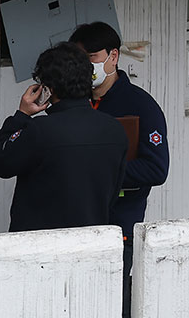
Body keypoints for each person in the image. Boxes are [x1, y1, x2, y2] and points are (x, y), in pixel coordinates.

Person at [70, 21, 168, 317]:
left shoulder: (140, 104)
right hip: (74, 225)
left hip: (118, 228)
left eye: (91, 58)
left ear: (113, 56)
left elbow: (156, 169)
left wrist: (102, 173)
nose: (85, 67)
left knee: (112, 305)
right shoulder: (74, 103)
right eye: (78, 61)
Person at [0, 42, 128, 231]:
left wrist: (21, 115)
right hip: (93, 239)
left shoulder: (39, 130)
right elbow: (115, 190)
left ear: (48, 88)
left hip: (40, 245)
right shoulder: (115, 129)